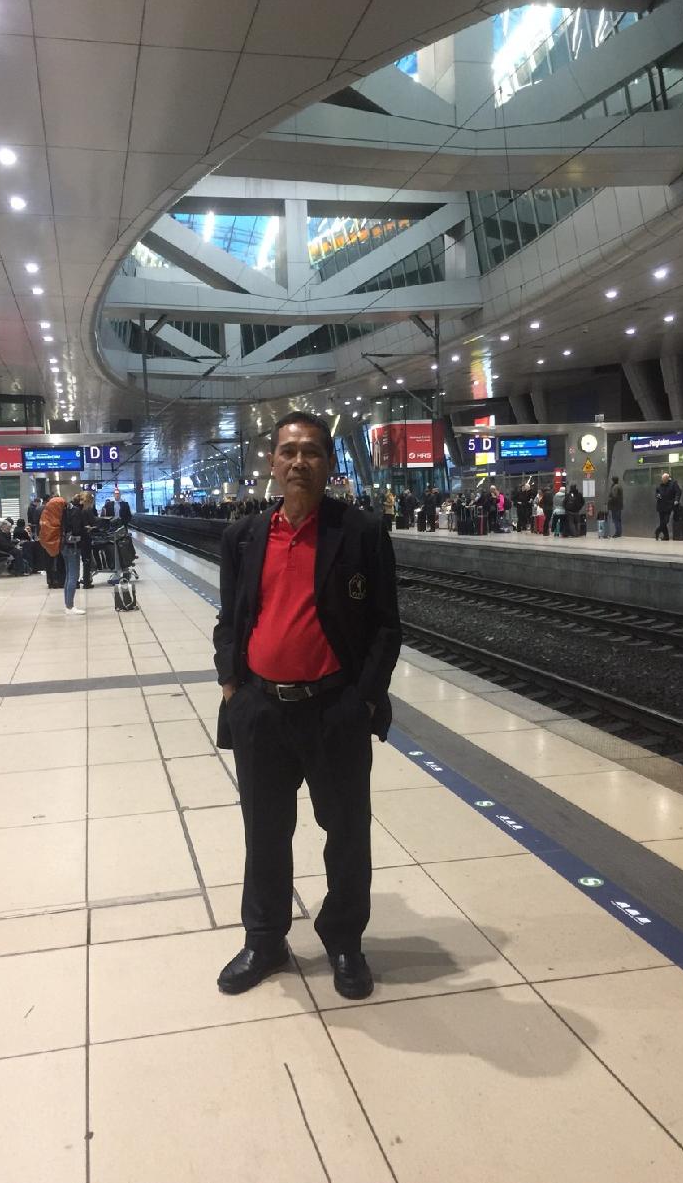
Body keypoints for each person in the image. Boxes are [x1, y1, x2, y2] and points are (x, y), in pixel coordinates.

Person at [213, 412, 401, 1001]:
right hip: (260, 710)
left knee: (346, 832)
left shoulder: (361, 532)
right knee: (264, 832)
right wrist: (231, 683)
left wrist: (363, 700)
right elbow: (230, 620)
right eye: (289, 451)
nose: (299, 462)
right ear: (272, 462)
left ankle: (344, 941)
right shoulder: (244, 537)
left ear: (328, 463)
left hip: (334, 709)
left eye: (312, 452)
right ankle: (265, 939)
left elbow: (386, 627)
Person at [61, 494, 88, 615]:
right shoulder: (76, 511)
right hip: (73, 547)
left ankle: (67, 605)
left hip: (64, 546)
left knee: (68, 576)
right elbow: (76, 530)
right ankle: (70, 607)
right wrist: (85, 529)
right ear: (83, 501)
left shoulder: (66, 510)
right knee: (73, 576)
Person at [38, 494, 67, 589]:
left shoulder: (45, 513)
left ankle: (51, 580)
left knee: (49, 562)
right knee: (60, 561)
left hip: (46, 543)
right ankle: (60, 580)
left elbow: (41, 528)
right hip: (58, 542)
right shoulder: (61, 515)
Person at [655, 472, 681, 541]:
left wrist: (676, 500)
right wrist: (657, 495)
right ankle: (666, 537)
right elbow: (657, 492)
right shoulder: (660, 485)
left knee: (666, 520)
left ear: (667, 479)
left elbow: (678, 492)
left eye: (664, 480)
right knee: (662, 522)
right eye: (662, 479)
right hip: (660, 506)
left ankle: (657, 530)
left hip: (669, 505)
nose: (663, 481)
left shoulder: (673, 484)